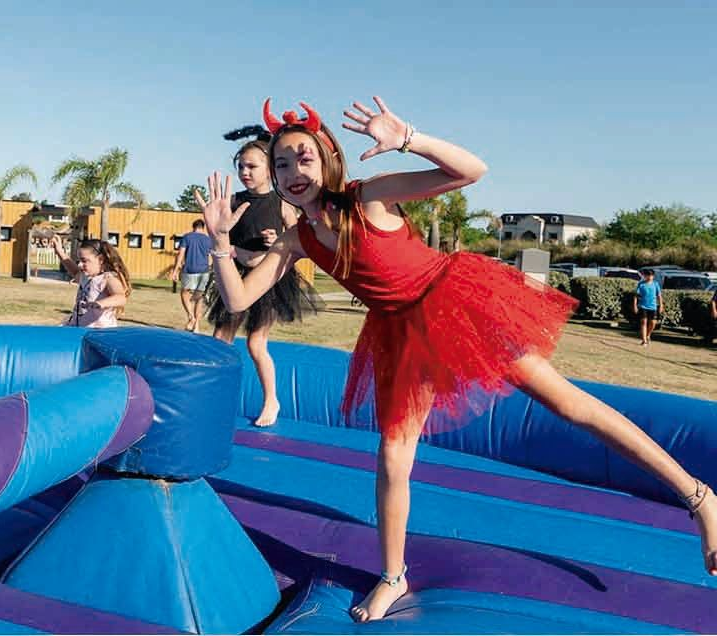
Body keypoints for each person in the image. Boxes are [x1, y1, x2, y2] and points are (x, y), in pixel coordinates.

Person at [198, 97, 716, 621]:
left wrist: (408, 139)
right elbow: (240, 299)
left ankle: (698, 498)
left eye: (303, 158)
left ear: (328, 157)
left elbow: (470, 171)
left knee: (568, 403)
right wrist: (221, 242)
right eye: (281, 164)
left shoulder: (370, 197)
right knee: (393, 457)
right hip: (400, 333)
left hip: (456, 307)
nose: (292, 173)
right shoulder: (298, 238)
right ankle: (392, 576)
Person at [207, 138, 312, 427]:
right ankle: (214, 397)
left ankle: (271, 400)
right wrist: (225, 247)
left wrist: (276, 241)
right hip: (237, 276)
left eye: (252, 166)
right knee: (220, 339)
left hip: (268, 281)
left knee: (256, 343)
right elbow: (222, 239)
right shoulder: (235, 202)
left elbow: (300, 242)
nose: (245, 172)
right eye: (240, 166)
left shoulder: (282, 203)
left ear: (270, 169)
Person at [50, 235, 129, 328]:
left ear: (100, 259)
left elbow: (120, 297)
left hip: (99, 331)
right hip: (79, 327)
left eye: (84, 261)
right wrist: (60, 251)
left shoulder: (108, 278)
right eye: (79, 260)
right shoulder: (86, 277)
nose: (79, 264)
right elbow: (74, 271)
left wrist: (101, 303)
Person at [171, 219, 212, 332]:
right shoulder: (208, 240)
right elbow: (210, 257)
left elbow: (181, 254)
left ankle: (191, 317)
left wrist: (175, 270)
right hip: (204, 271)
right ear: (203, 227)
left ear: (193, 227)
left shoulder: (187, 237)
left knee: (185, 293)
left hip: (189, 270)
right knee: (199, 298)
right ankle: (197, 326)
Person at [634, 269, 663, 347]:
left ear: (653, 276)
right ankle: (644, 341)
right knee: (643, 322)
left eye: (651, 276)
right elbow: (636, 296)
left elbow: (659, 296)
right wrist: (635, 306)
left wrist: (661, 306)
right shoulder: (641, 284)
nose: (650, 277)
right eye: (648, 275)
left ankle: (648, 335)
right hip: (643, 306)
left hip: (653, 306)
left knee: (653, 323)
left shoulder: (655, 284)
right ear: (644, 276)